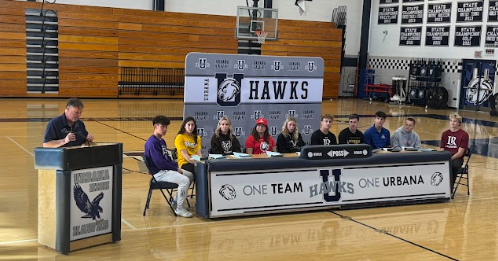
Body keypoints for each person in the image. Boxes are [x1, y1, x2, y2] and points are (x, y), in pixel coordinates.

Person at [144, 115, 193, 218]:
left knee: (190, 175)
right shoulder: (152, 143)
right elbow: (160, 163)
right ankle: (179, 208)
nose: (165, 129)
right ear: (155, 126)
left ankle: (175, 201)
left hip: (166, 170)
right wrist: (175, 169)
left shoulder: (162, 141)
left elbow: (167, 159)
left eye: (166, 127)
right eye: (163, 127)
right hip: (159, 173)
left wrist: (176, 167)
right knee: (184, 180)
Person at [440, 113, 469, 192]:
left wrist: (450, 159)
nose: (452, 123)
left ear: (459, 123)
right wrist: (443, 157)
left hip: (456, 158)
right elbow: (442, 148)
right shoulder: (445, 133)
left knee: (452, 165)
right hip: (446, 155)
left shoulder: (464, 135)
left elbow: (460, 153)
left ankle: (449, 188)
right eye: (451, 121)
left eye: (455, 121)